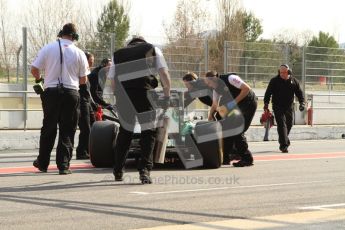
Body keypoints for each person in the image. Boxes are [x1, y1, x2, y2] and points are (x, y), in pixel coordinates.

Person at [109, 36, 171, 184]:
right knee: (148, 132)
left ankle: (118, 170)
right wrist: (167, 95)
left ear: (130, 44)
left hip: (123, 95)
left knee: (125, 132)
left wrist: (118, 97)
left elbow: (112, 80)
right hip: (144, 92)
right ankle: (144, 170)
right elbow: (163, 73)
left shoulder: (118, 54)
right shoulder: (152, 48)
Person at [31, 23, 90, 175]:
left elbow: (34, 69)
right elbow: (83, 79)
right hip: (71, 93)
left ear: (61, 33)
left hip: (50, 92)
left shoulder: (48, 48)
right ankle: (63, 166)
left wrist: (40, 81)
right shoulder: (79, 53)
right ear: (74, 36)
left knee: (48, 128)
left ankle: (42, 163)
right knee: (68, 129)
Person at [204, 71, 257, 167]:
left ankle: (247, 159)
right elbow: (215, 104)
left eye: (208, 83)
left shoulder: (230, 78)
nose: (208, 85)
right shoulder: (216, 89)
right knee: (226, 128)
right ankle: (226, 158)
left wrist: (233, 103)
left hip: (248, 103)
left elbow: (246, 89)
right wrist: (210, 115)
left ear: (214, 79)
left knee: (236, 129)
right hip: (236, 105)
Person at [263, 64, 305, 153]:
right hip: (277, 106)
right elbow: (268, 93)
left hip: (289, 106)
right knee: (282, 124)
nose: (281, 74)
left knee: (289, 124)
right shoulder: (274, 81)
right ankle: (284, 145)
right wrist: (266, 104)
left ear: (288, 72)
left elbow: (299, 93)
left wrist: (302, 103)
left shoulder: (294, 81)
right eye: (280, 72)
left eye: (284, 72)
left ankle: (283, 139)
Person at [75, 51, 96, 160]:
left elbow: (88, 91)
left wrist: (93, 104)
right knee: (86, 128)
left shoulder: (87, 73)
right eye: (90, 61)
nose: (92, 63)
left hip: (88, 103)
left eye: (92, 61)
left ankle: (89, 149)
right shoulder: (79, 72)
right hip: (81, 103)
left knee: (94, 126)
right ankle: (81, 151)